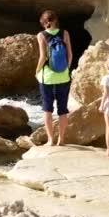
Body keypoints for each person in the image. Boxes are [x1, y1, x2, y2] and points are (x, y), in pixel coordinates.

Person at [35, 10, 72, 146]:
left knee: (47, 109)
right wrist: (65, 69)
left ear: (44, 23)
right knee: (62, 109)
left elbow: (43, 57)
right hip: (63, 77)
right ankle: (61, 140)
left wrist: (37, 70)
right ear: (56, 20)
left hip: (47, 78)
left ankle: (50, 140)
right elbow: (70, 55)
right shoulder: (65, 33)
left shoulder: (41, 35)